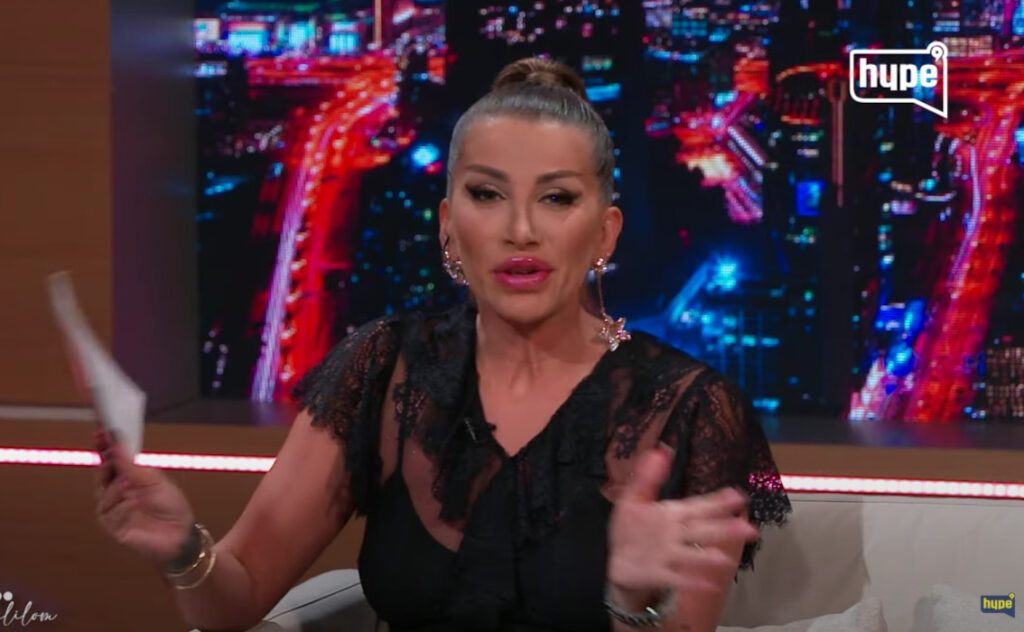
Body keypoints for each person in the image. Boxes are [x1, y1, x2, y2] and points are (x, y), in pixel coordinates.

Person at [94, 57, 791, 632]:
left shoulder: (691, 410)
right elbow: (238, 596)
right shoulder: (383, 368)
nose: (521, 229)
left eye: (556, 198)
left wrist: (627, 598)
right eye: (487, 195)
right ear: (447, 227)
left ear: (604, 233)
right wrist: (183, 549)